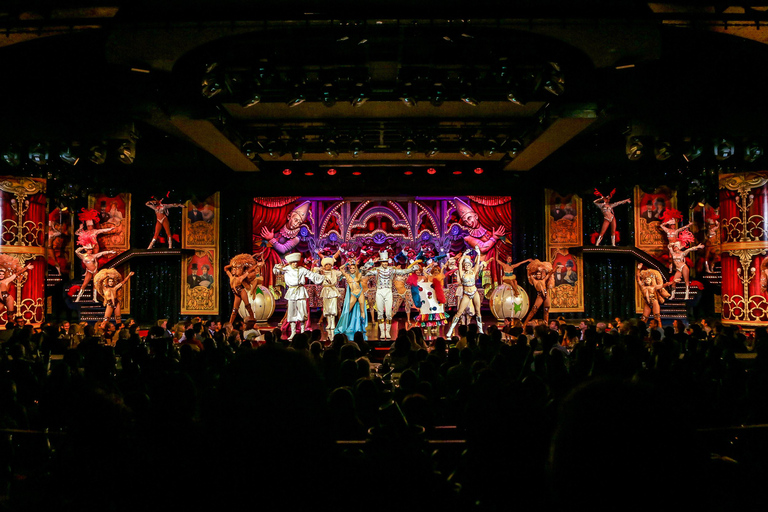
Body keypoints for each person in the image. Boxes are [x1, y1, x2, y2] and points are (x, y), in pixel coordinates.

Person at [362, 250, 415, 340]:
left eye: (386, 261)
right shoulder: (377, 270)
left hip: (388, 291)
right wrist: (370, 263)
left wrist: (412, 269)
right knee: (380, 313)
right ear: (381, 262)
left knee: (389, 314)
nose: (385, 263)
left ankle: (388, 331)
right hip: (379, 291)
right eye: (383, 261)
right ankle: (382, 332)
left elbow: (402, 272)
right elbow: (364, 272)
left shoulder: (392, 270)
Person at [273, 252, 325, 340]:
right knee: (291, 312)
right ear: (290, 263)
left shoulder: (302, 269)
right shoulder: (287, 268)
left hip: (300, 291)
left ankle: (302, 332)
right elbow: (276, 271)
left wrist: (323, 277)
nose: (295, 264)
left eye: (296, 262)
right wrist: (277, 266)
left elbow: (311, 275)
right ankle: (293, 332)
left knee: (302, 311)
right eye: (293, 262)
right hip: (292, 291)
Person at [446, 251, 487, 337]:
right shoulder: (462, 273)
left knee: (478, 311)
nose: (467, 266)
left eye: (468, 265)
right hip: (466, 294)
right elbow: (460, 264)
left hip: (474, 292)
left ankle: (480, 330)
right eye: (466, 265)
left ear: (470, 266)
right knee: (459, 312)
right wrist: (464, 255)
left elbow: (477, 263)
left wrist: (478, 253)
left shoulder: (473, 272)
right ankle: (450, 330)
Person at [74, 233, 116, 302]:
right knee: (84, 284)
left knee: (95, 284)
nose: (91, 250)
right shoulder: (83, 256)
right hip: (89, 271)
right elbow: (76, 251)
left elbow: (102, 253)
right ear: (87, 250)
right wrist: (83, 247)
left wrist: (110, 251)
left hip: (95, 271)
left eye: (91, 249)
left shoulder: (93, 255)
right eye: (90, 249)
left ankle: (95, 298)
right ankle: (78, 298)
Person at [312, 254, 343, 340]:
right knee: (326, 308)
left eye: (329, 264)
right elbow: (314, 271)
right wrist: (317, 266)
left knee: (332, 308)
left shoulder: (334, 272)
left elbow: (341, 272)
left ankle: (332, 323)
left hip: (332, 291)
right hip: (325, 291)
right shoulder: (322, 272)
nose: (328, 266)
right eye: (326, 265)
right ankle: (329, 323)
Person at [336, 259, 369, 340]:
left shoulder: (359, 275)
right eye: (351, 268)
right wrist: (347, 263)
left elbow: (366, 269)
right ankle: (344, 325)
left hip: (360, 293)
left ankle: (363, 327)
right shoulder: (347, 276)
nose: (352, 269)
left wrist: (370, 263)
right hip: (353, 294)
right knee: (347, 310)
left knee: (362, 310)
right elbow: (340, 268)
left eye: (353, 268)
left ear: (355, 269)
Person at [224, 254, 259, 324]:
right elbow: (225, 268)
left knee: (247, 305)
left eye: (235, 269)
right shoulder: (230, 276)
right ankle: (230, 323)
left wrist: (256, 265)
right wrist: (231, 265)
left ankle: (252, 318)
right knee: (234, 310)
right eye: (233, 269)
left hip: (241, 291)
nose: (234, 270)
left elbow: (249, 271)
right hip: (236, 294)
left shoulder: (240, 278)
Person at [0, 256, 32, 327]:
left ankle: (12, 330)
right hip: (1, 300)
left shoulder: (6, 280)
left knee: (10, 317)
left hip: (8, 299)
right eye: (0, 274)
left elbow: (17, 274)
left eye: (3, 274)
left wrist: (26, 268)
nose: (1, 276)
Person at [524, 259, 555, 325]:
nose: (538, 275)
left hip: (546, 295)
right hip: (540, 295)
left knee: (546, 310)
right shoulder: (535, 280)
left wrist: (556, 267)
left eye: (539, 274)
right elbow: (529, 275)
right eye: (537, 274)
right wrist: (529, 269)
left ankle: (546, 325)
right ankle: (525, 324)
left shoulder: (544, 279)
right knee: (534, 310)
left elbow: (550, 273)